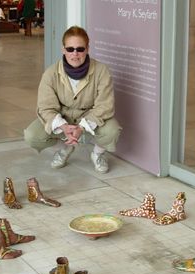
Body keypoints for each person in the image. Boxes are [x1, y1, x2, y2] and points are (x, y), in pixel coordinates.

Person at [24, 26, 122, 174]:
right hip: (62, 117)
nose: (75, 54)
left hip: (90, 117)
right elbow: (45, 107)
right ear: (63, 49)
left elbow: (105, 106)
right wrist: (63, 127)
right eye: (70, 49)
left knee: (112, 130)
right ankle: (65, 148)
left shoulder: (102, 71)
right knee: (32, 135)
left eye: (80, 49)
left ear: (87, 49)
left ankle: (97, 154)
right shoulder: (50, 74)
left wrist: (82, 127)